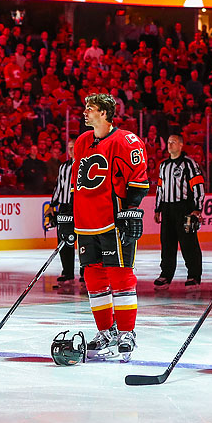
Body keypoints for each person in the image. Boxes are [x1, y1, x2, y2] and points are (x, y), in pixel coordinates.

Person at [57, 94, 148, 361]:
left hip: (114, 220)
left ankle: (127, 332)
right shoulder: (83, 142)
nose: (85, 112)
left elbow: (139, 179)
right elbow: (77, 183)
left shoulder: (126, 140)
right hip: (87, 223)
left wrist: (131, 208)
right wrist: (69, 214)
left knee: (120, 276)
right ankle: (105, 331)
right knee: (93, 279)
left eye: (91, 109)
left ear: (106, 113)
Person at [154, 134, 205, 289]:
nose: (169, 145)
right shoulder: (163, 166)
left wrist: (197, 209)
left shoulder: (189, 164)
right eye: (168, 142)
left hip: (184, 208)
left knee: (188, 243)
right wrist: (158, 209)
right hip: (168, 210)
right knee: (167, 243)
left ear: (181, 145)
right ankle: (165, 275)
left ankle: (194, 275)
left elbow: (198, 186)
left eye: (173, 142)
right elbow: (160, 189)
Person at [46, 139, 83, 287]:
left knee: (83, 241)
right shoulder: (64, 167)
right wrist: (52, 205)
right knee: (64, 240)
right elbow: (59, 187)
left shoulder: (84, 166)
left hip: (81, 207)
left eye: (73, 147)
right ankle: (67, 271)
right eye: (69, 148)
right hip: (65, 207)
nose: (71, 150)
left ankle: (85, 272)